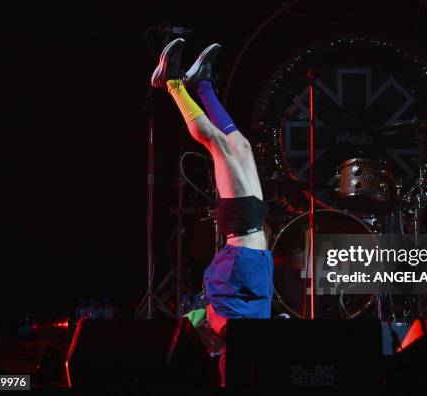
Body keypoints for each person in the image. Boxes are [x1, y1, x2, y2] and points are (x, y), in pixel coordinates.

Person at [151, 38, 274, 386]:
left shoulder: (225, 321)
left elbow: (197, 322)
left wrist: (202, 323)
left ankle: (171, 83)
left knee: (218, 146)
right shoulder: (239, 330)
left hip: (240, 236)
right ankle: (202, 84)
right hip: (253, 236)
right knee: (242, 146)